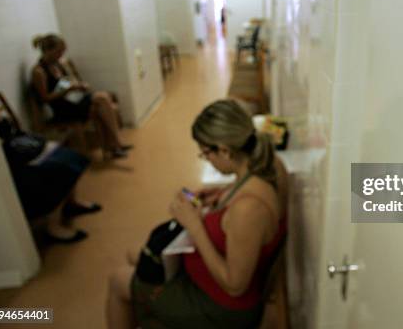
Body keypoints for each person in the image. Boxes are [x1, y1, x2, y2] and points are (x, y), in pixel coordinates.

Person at [107, 99, 288, 329]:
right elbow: (248, 199)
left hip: (223, 309)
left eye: (206, 154)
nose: (207, 161)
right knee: (135, 254)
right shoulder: (268, 166)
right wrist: (223, 193)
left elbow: (235, 286)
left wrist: (195, 227)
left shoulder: (248, 209)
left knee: (117, 280)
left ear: (224, 150)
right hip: (210, 281)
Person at [0, 105, 101, 243]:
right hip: (3, 166)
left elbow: (5, 130)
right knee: (56, 170)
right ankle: (53, 226)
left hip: (15, 152)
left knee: (68, 156)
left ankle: (72, 203)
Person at [31, 34, 132, 159]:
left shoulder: (57, 64)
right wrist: (69, 89)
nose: (61, 55)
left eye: (62, 51)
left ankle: (112, 147)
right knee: (102, 98)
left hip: (72, 100)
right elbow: (45, 98)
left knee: (103, 104)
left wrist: (78, 85)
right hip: (62, 108)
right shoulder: (39, 72)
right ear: (48, 51)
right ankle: (116, 144)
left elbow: (65, 82)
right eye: (59, 52)